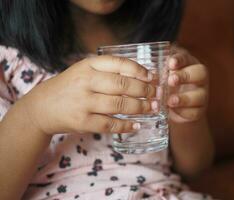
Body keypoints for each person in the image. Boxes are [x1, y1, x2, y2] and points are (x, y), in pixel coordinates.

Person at [0, 0, 215, 199]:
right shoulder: (7, 62)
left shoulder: (153, 52)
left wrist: (186, 112)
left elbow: (195, 167)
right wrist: (34, 116)